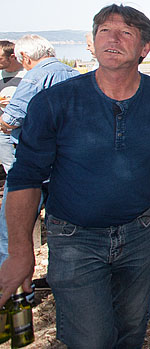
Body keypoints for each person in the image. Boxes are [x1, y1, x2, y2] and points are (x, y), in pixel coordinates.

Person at [0, 4, 150, 348]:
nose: (112, 39)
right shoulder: (55, 103)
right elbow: (25, 178)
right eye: (104, 31)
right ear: (93, 41)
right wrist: (20, 251)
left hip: (140, 232)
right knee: (92, 339)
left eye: (125, 33)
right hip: (74, 238)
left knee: (132, 329)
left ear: (145, 48)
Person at [0, 35, 78, 267]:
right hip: (67, 161)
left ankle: (12, 287)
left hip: (34, 161)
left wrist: (3, 122)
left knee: (11, 229)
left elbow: (13, 119)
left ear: (24, 57)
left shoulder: (35, 77)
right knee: (63, 225)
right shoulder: (75, 75)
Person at [0, 40, 25, 175]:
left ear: (12, 56)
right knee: (9, 168)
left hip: (22, 127)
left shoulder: (26, 73)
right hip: (2, 128)